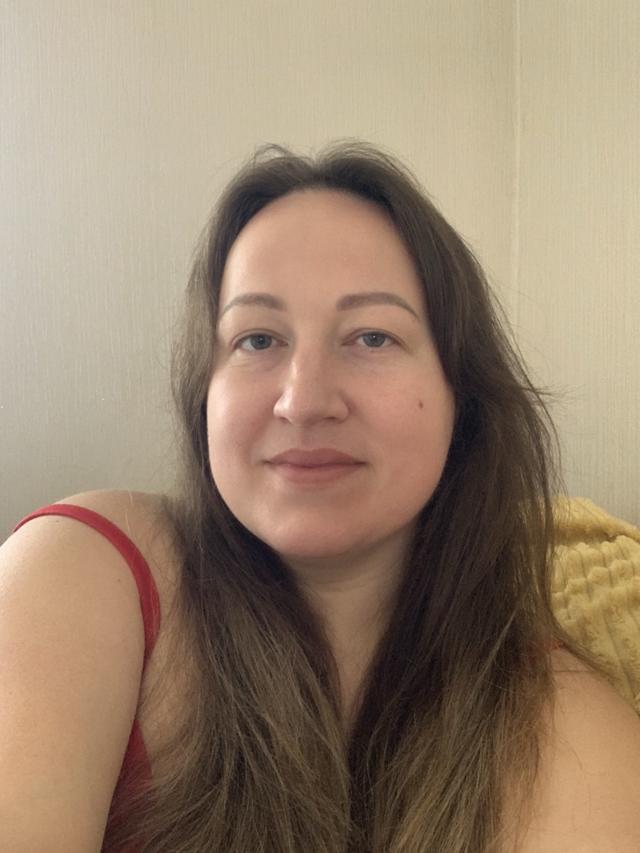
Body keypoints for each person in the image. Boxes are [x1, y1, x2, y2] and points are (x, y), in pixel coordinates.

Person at [2, 141, 640, 853]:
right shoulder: (81, 573)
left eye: (372, 336)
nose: (303, 400)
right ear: (204, 394)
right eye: (257, 339)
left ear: (463, 396)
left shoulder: (570, 734)